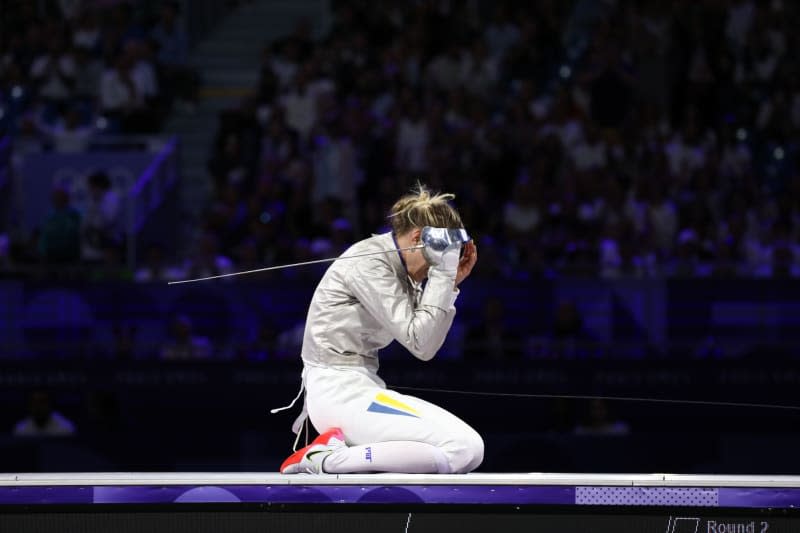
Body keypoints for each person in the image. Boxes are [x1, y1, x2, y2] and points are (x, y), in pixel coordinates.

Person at [279, 184, 483, 474]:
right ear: (417, 238)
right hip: (338, 393)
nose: (434, 268)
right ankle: (324, 460)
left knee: (469, 451)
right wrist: (443, 275)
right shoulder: (369, 262)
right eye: (436, 258)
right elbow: (420, 341)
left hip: (362, 388)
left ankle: (333, 456)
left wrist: (448, 286)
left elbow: (426, 348)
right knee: (462, 447)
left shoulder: (401, 270)